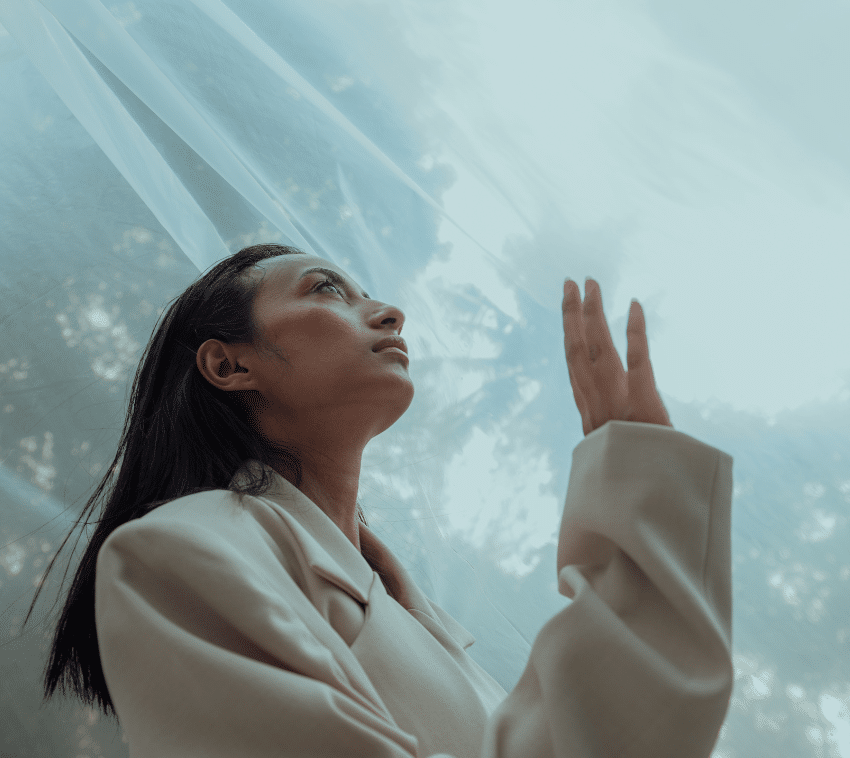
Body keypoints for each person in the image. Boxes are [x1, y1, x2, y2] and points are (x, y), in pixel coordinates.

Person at [25, 243, 733, 757]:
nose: (391, 313)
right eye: (327, 288)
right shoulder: (173, 553)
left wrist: (643, 504)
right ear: (229, 364)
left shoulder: (430, 629)